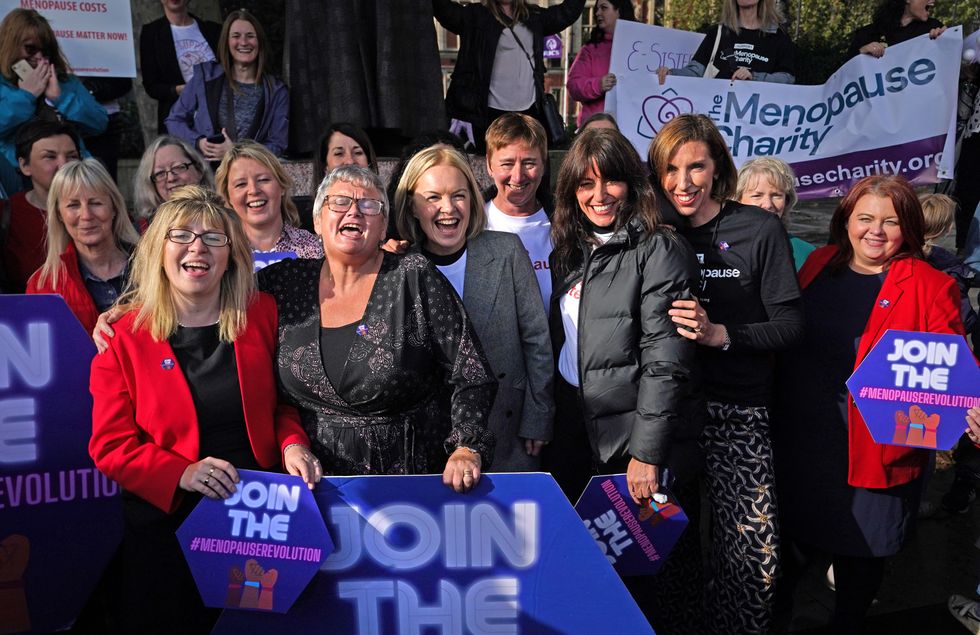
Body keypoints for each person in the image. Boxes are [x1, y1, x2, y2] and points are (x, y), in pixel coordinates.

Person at [88, 185, 319, 634]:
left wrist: (292, 443)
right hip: (166, 526)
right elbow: (110, 447)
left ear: (231, 255)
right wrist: (183, 473)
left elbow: (285, 403)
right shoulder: (123, 337)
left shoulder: (261, 314)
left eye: (214, 237)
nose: (198, 247)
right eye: (181, 235)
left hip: (254, 518)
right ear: (158, 251)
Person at [773, 175, 965, 633]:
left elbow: (952, 368)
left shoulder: (931, 285)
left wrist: (968, 406)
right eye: (865, 218)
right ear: (846, 221)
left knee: (859, 561)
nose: (875, 231)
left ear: (909, 227)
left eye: (890, 221)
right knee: (790, 554)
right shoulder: (819, 262)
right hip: (805, 441)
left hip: (877, 450)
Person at [648, 113, 803, 634]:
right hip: (669, 416)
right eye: (670, 169)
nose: (683, 182)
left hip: (738, 410)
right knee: (670, 549)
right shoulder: (651, 231)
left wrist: (721, 334)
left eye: (696, 167)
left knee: (752, 559)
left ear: (717, 168)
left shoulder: (758, 228)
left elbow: (790, 325)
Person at [546, 127, 703, 631]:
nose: (599, 195)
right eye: (585, 184)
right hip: (575, 432)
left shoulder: (660, 248)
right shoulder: (569, 249)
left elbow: (666, 358)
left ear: (632, 184)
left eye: (611, 181)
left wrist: (647, 453)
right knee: (585, 568)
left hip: (631, 445)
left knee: (639, 576)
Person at [256, 165, 496, 490]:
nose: (354, 211)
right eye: (340, 202)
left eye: (369, 205)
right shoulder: (283, 282)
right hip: (310, 485)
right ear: (317, 220)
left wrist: (466, 447)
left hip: (405, 481)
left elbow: (471, 373)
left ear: (383, 226)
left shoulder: (413, 277)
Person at [393, 145, 553, 471]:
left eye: (459, 195)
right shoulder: (399, 268)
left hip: (508, 432)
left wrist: (538, 417)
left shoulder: (507, 251)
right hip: (429, 441)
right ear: (412, 206)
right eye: (433, 197)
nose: (448, 208)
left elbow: (537, 340)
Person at [433, 0, 586, 151]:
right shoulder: (475, 16)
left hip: (529, 111)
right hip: (487, 114)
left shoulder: (534, 16)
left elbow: (567, 12)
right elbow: (444, 10)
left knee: (527, 160)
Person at [0, 8, 107, 195]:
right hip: (18, 177)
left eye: (45, 50)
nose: (39, 57)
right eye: (30, 49)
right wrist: (26, 96)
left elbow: (99, 122)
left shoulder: (63, 82)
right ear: (11, 45)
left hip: (70, 174)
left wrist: (61, 99)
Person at [26, 159, 139, 334]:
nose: (86, 215)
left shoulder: (155, 266)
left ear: (114, 207)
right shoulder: (43, 285)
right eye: (73, 205)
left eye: (95, 203)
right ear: (59, 214)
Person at [165, 9, 289, 161]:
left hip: (249, 171)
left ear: (260, 42)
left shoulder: (276, 90)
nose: (243, 42)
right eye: (236, 36)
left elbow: (278, 144)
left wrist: (236, 151)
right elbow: (174, 120)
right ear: (226, 42)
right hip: (206, 171)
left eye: (250, 36)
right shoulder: (205, 76)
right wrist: (197, 142)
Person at [484, 113, 553, 311]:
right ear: (489, 165)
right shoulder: (470, 224)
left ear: (543, 165)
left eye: (529, 163)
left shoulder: (568, 222)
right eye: (507, 164)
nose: (518, 176)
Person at [1, 119, 79, 293]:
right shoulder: (7, 214)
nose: (63, 165)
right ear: (25, 165)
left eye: (72, 156)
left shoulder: (102, 210)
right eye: (50, 157)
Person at [215, 140, 321, 258]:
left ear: (282, 186)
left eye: (263, 180)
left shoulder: (312, 248)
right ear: (228, 196)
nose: (253, 190)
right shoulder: (218, 252)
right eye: (241, 184)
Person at [656, 0, 795, 84]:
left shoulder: (778, 36)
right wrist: (671, 74)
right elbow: (695, 71)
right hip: (718, 117)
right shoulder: (717, 32)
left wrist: (753, 77)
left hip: (757, 118)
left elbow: (787, 78)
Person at [139, 0, 221, 135]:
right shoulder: (151, 33)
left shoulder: (214, 30)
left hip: (219, 114)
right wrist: (182, 90)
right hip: (179, 120)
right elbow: (152, 86)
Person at [736, 157, 815, 270]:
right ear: (737, 200)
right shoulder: (720, 248)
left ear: (787, 200)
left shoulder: (806, 253)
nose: (768, 204)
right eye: (757, 196)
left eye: (776, 195)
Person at [566, 0, 635, 128]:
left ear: (619, 11)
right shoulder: (590, 50)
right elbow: (573, 86)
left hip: (633, 127)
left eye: (603, 8)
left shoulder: (641, 47)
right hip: (597, 129)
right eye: (597, 9)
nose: (597, 13)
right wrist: (598, 84)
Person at [133, 134, 214, 232]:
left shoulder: (224, 220)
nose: (171, 178)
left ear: (199, 170)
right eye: (160, 173)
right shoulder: (141, 232)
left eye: (179, 167)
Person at [847, 0, 945, 59]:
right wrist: (861, 53)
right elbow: (844, 75)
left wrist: (945, 39)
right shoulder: (868, 33)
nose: (933, 1)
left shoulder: (933, 27)